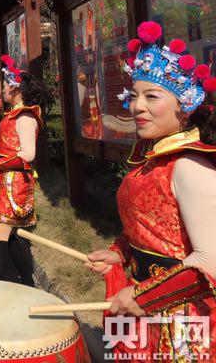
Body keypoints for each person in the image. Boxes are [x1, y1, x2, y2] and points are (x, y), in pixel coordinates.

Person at [85, 22, 216, 360]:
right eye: (134, 95)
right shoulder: (152, 160)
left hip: (185, 322)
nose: (137, 106)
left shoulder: (189, 166)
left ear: (185, 105)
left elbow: (210, 262)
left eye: (151, 96)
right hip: (148, 308)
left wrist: (142, 296)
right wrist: (121, 252)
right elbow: (151, 228)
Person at [0, 55, 53, 287]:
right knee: (9, 238)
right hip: (6, 180)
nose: (2, 91)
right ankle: (28, 283)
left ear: (16, 88)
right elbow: (3, 149)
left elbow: (27, 154)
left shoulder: (26, 117)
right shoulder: (14, 114)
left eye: (5, 86)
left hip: (14, 184)